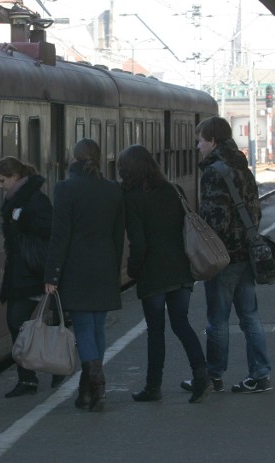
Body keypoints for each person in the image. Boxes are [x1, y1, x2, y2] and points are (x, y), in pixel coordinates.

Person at [181, 116, 271, 393]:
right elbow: (254, 210)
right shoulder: (241, 166)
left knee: (217, 320)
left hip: (225, 257)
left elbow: (214, 219)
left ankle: (214, 375)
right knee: (250, 317)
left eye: (200, 141)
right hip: (247, 253)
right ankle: (260, 375)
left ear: (213, 141)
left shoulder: (213, 172)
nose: (198, 147)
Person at [118, 145, 212, 404]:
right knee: (181, 323)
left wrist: (134, 269)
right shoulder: (173, 190)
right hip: (181, 269)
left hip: (153, 273)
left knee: (156, 330)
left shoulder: (132, 197)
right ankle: (202, 376)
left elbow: (139, 242)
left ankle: (153, 386)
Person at [44, 139, 125, 412]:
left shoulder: (66, 189)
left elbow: (60, 237)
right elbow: (117, 235)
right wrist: (114, 269)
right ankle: (89, 389)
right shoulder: (113, 189)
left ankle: (95, 381)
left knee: (82, 327)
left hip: (75, 269)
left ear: (73, 159)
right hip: (104, 266)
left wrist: (52, 275)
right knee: (97, 327)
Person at [0, 156, 61, 398]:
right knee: (19, 324)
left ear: (15, 178)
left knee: (25, 323)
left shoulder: (35, 200)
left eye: (3, 181)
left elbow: (51, 229)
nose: (1, 186)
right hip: (21, 273)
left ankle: (46, 372)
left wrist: (23, 220)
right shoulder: (17, 199)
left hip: (33, 271)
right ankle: (28, 378)